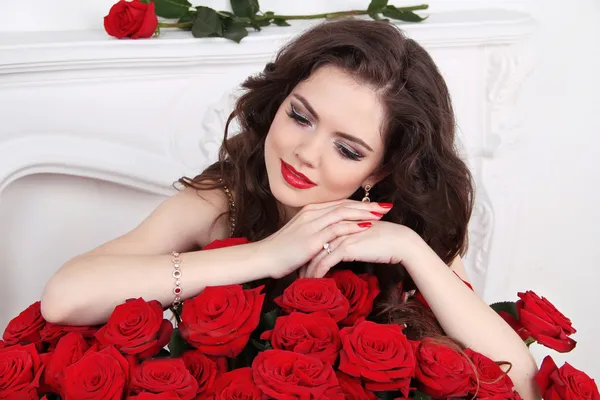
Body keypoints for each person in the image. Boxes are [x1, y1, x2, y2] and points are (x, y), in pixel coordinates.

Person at [40, 18, 539, 398]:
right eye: (300, 117)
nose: (305, 152)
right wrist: (269, 255)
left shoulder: (407, 225)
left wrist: (412, 249)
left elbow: (523, 384)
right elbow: (64, 298)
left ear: (379, 173)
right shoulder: (224, 198)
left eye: (347, 149)